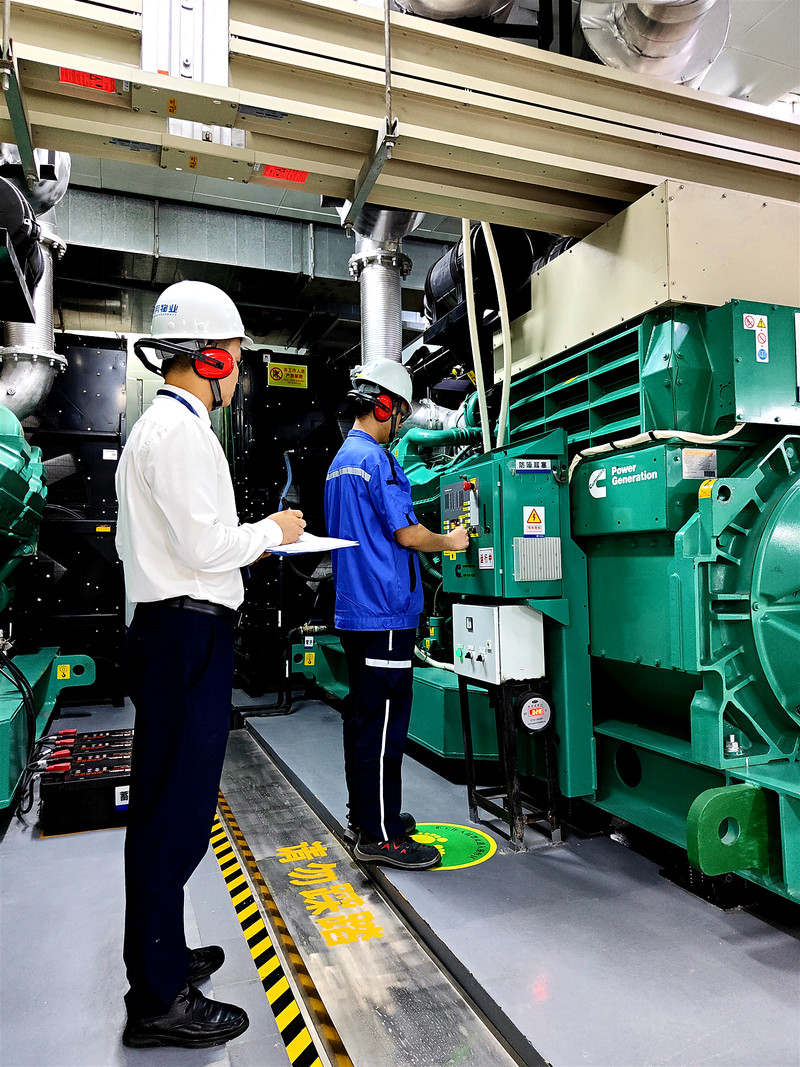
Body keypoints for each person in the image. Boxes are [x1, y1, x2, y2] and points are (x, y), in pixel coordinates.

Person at [115, 280, 305, 1049]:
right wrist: (273, 530)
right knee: (177, 811)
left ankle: (158, 956)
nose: (238, 372)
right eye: (234, 357)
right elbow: (207, 546)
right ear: (212, 358)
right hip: (188, 631)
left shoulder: (160, 427)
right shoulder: (181, 433)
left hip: (170, 630)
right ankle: (159, 998)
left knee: (166, 803)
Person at [324, 359, 469, 871]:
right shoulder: (377, 460)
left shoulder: (341, 461)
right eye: (400, 414)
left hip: (356, 610)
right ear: (385, 405)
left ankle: (368, 815)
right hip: (385, 613)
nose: (400, 425)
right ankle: (381, 835)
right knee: (384, 724)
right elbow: (407, 534)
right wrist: (452, 540)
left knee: (364, 718)